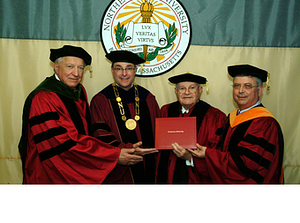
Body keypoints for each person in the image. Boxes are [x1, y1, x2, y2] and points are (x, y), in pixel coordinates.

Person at [18, 45, 144, 184]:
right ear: (56, 66)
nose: (76, 73)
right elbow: (62, 144)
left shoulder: (79, 91)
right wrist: (114, 155)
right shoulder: (43, 99)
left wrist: (118, 150)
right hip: (49, 173)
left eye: (80, 68)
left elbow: (86, 133)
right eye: (70, 66)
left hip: (74, 168)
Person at [189, 64, 284, 184]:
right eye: (236, 86)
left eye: (247, 86)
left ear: (259, 90)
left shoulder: (264, 123)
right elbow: (222, 151)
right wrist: (195, 156)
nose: (241, 91)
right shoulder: (232, 117)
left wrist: (208, 153)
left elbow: (246, 165)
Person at [90, 50, 159, 184]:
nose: (124, 73)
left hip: (149, 166)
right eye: (119, 68)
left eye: (129, 68)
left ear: (135, 70)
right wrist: (125, 149)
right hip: (119, 169)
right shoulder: (101, 100)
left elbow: (159, 130)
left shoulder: (148, 98)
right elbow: (100, 134)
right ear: (112, 70)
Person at [156, 73, 226, 184]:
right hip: (166, 177)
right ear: (176, 91)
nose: (187, 92)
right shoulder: (166, 111)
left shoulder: (215, 117)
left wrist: (191, 159)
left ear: (200, 90)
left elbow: (217, 154)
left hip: (195, 180)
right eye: (182, 88)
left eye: (192, 88)